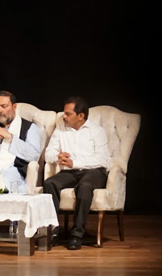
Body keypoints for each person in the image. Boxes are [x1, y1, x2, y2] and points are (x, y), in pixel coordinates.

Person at [43, 96, 110, 250]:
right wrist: (57, 156)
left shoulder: (96, 131)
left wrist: (75, 162)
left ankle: (76, 235)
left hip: (94, 171)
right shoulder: (61, 129)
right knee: (50, 183)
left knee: (85, 185)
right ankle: (53, 230)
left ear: (80, 116)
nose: (64, 117)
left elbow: (102, 159)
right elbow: (49, 153)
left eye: (68, 114)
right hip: (70, 171)